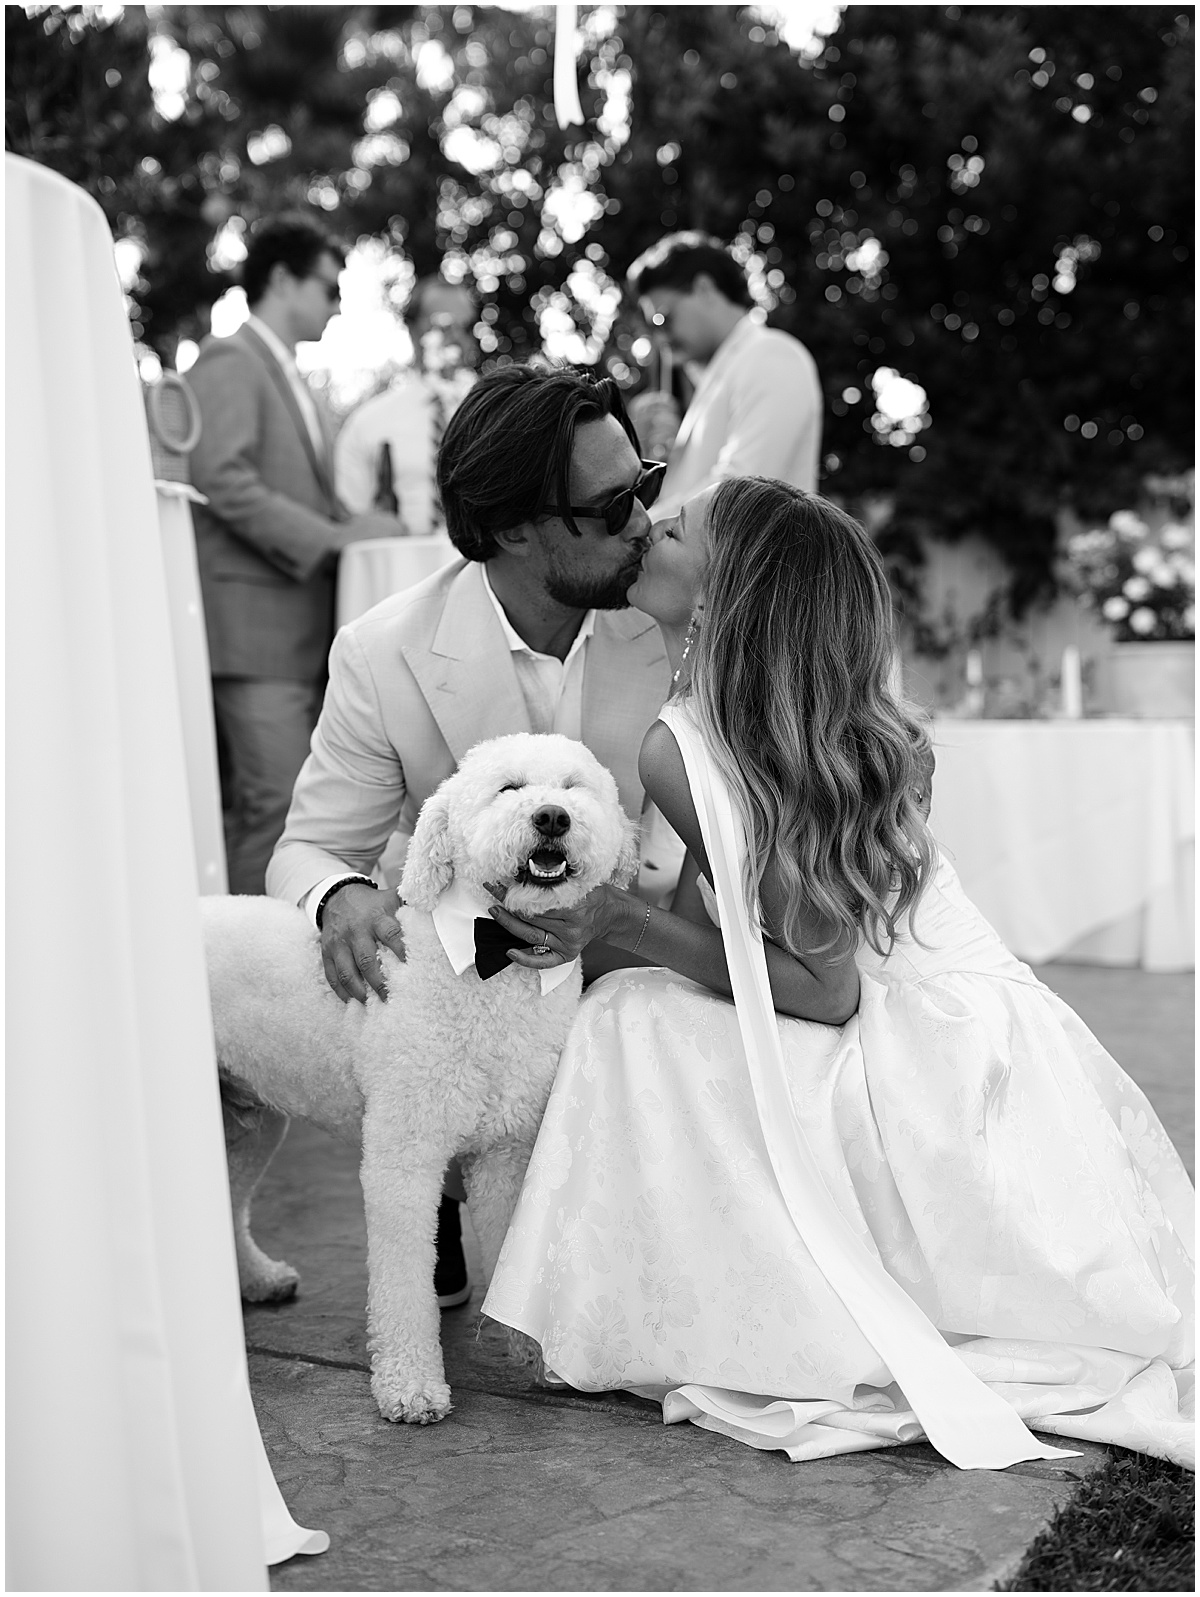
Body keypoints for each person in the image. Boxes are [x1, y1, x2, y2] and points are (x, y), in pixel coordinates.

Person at [481, 477, 1195, 1471]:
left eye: (675, 528)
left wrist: (612, 917)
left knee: (625, 1018)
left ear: (731, 586)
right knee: (642, 999)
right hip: (997, 1038)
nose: (646, 528)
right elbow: (728, 915)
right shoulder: (790, 722)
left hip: (923, 1064)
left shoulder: (686, 744)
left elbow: (822, 988)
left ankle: (663, 1307)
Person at [266, 363, 674, 1306]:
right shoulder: (383, 649)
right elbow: (308, 848)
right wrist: (345, 895)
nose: (645, 523)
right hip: (473, 979)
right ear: (511, 528)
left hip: (633, 954)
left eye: (645, 486)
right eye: (613, 506)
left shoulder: (677, 626)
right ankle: (452, 1179)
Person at [188, 213, 404, 894]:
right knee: (275, 807)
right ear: (281, 279)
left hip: (295, 634)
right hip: (255, 634)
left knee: (297, 813)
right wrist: (336, 538)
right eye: (328, 286)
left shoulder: (289, 375)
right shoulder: (231, 358)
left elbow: (292, 491)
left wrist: (356, 521)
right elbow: (220, 476)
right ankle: (242, 983)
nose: (336, 304)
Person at [625, 233, 823, 522]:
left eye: (662, 318)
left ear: (704, 288)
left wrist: (634, 528)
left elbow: (742, 495)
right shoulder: (719, 376)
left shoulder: (772, 355)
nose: (660, 337)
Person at [334, 276, 479, 534]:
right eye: (443, 324)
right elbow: (349, 518)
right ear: (413, 331)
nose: (455, 337)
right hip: (402, 569)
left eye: (465, 326)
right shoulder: (370, 423)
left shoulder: (496, 417)